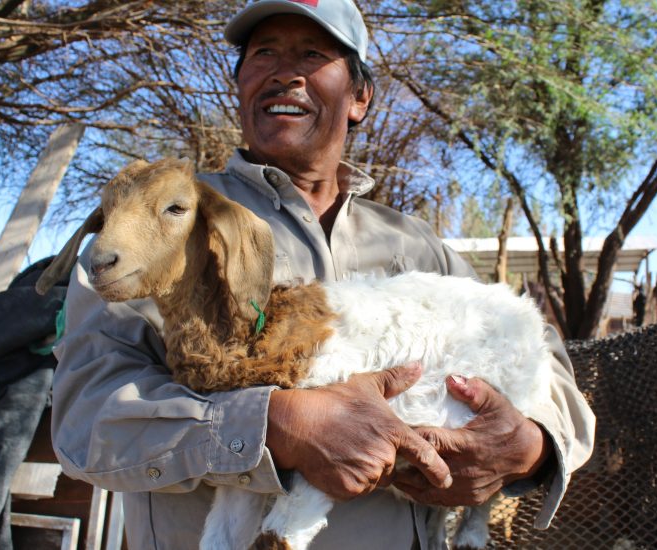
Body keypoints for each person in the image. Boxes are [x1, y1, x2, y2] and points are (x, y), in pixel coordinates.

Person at [50, 0, 595, 548]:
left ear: (359, 97)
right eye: (264, 53)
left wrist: (529, 445)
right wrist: (274, 425)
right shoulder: (165, 224)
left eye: (312, 54)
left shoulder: (417, 245)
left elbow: (546, 361)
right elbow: (85, 418)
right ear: (239, 84)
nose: (285, 72)